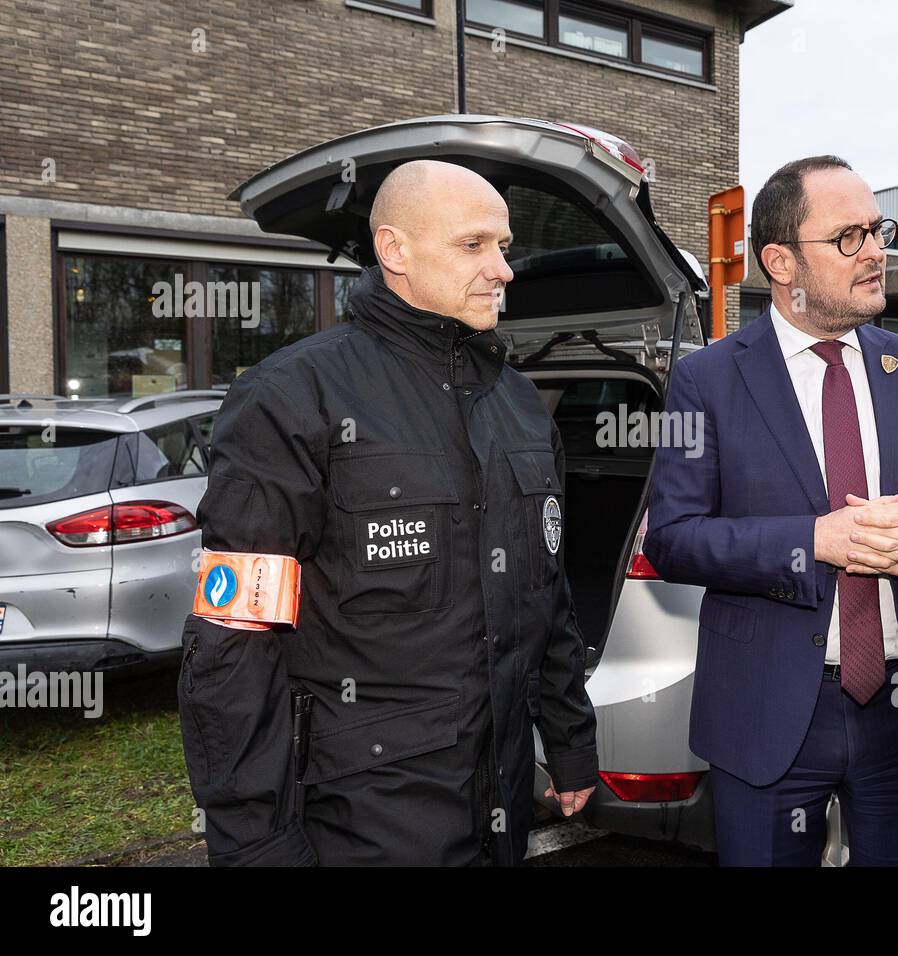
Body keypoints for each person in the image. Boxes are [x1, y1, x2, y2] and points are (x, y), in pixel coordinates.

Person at [178, 159, 597, 866]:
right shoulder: (291, 397)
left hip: (502, 797)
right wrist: (256, 842)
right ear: (395, 250)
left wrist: (570, 739)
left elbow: (543, 592)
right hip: (363, 817)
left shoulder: (520, 404)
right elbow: (234, 639)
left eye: (504, 244)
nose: (505, 269)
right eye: (475, 245)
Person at [643, 155, 898, 866]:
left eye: (877, 229)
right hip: (764, 716)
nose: (876, 252)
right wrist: (813, 541)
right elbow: (674, 539)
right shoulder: (707, 380)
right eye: (848, 238)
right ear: (780, 261)